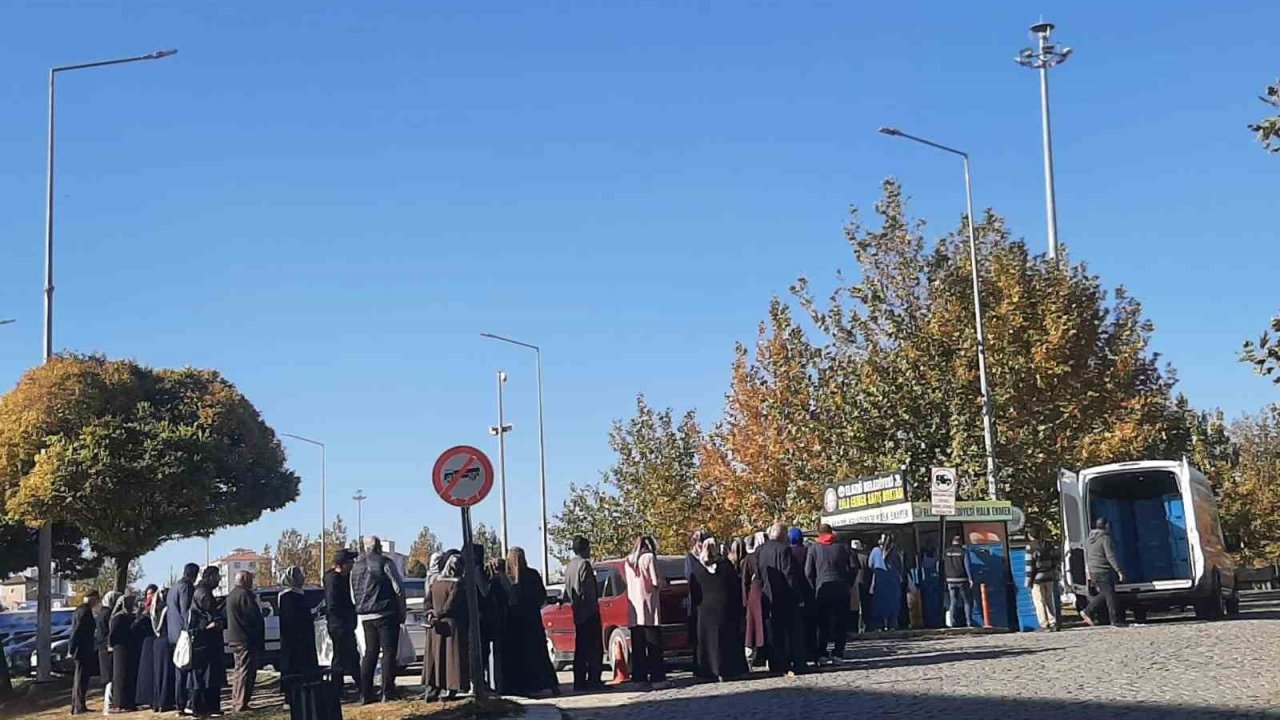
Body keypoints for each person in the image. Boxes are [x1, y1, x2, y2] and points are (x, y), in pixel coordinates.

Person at [350, 534, 406, 704]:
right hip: (385, 612)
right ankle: (387, 691)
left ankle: (365, 693)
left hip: (366, 614)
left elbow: (353, 594)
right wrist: (401, 609)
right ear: (379, 547)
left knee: (370, 653)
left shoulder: (355, 567)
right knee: (388, 652)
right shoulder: (385, 562)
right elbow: (398, 588)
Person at [498, 547, 560, 697]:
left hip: (512, 623)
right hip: (531, 621)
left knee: (516, 655)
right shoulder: (532, 575)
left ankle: (520, 686)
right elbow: (541, 596)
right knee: (538, 654)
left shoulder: (505, 577)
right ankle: (547, 684)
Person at [689, 536, 747, 681]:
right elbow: (735, 587)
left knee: (707, 642)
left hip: (705, 609)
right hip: (724, 608)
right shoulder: (726, 566)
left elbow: (693, 591)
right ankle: (728, 669)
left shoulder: (697, 569)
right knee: (725, 640)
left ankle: (707, 670)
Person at [756, 522, 805, 677]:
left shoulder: (759, 550)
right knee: (790, 632)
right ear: (783, 535)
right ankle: (793, 661)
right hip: (784, 597)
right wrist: (797, 595)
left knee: (772, 632)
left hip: (766, 596)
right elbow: (789, 573)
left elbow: (757, 574)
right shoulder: (784, 550)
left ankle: (775, 662)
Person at [423, 552, 469, 701]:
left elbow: (427, 600)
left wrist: (430, 614)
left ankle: (433, 688)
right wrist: (438, 613)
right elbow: (451, 604)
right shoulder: (458, 583)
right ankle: (451, 687)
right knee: (451, 657)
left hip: (436, 625)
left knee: (436, 656)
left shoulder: (435, 581)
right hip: (451, 625)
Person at [805, 524, 853, 664]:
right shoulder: (842, 547)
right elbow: (854, 567)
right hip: (841, 589)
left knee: (822, 623)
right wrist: (848, 583)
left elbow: (808, 572)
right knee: (841, 623)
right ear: (831, 533)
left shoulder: (814, 549)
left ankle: (822, 653)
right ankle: (838, 653)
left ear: (818, 534)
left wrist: (813, 587)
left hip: (822, 589)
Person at [624, 535, 667, 690]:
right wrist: (663, 583)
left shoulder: (628, 560)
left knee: (638, 647)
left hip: (634, 610)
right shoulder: (649, 557)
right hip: (649, 607)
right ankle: (657, 678)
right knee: (654, 645)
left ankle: (639, 678)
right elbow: (655, 581)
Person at [561, 536, 603, 691]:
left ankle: (579, 681)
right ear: (586, 548)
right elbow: (588, 590)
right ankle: (594, 680)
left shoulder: (570, 566)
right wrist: (594, 608)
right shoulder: (584, 565)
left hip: (577, 612)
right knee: (593, 648)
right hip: (588, 612)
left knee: (581, 649)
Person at [187, 566, 226, 717]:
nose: (219, 580)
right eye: (217, 577)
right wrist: (218, 621)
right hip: (206, 641)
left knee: (205, 675)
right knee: (207, 676)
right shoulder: (204, 594)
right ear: (210, 577)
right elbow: (211, 616)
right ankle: (205, 707)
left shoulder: (202, 592)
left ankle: (204, 706)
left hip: (204, 640)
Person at [279, 566, 320, 703]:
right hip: (295, 641)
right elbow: (291, 619)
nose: (303, 577)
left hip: (304, 638)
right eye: (300, 575)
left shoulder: (300, 594)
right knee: (294, 668)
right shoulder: (287, 596)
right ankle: (291, 696)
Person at [224, 570, 263, 712]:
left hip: (235, 638)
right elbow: (253, 617)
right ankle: (241, 702)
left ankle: (237, 700)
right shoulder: (245, 595)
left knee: (238, 670)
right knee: (245, 671)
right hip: (245, 638)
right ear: (245, 580)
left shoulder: (231, 595)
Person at [323, 549, 360, 695]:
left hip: (345, 623)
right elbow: (333, 604)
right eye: (350, 562)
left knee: (350, 655)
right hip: (339, 624)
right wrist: (343, 621)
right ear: (342, 564)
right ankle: (338, 687)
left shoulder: (344, 577)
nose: (352, 565)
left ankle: (358, 684)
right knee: (341, 655)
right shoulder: (333, 579)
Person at [166, 563, 199, 713]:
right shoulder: (186, 588)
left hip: (173, 633)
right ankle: (187, 703)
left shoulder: (173, 588)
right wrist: (191, 630)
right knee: (188, 669)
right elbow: (187, 611)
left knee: (179, 670)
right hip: (184, 634)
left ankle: (180, 703)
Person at [1082, 518, 1127, 628]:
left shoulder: (1088, 540)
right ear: (1106, 526)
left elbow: (1087, 556)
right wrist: (1118, 570)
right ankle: (1114, 620)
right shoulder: (1105, 538)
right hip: (1103, 570)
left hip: (1093, 570)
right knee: (1110, 596)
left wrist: (1088, 571)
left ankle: (1088, 611)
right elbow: (1110, 556)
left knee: (1106, 594)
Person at [787, 527, 818, 664]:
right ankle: (811, 652)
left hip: (793, 592)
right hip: (809, 591)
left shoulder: (787, 553)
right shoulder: (808, 550)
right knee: (810, 624)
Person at [69, 590, 101, 715]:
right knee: (81, 678)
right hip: (82, 649)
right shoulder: (85, 611)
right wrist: (72, 647)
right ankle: (78, 706)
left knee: (81, 678)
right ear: (91, 598)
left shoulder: (80, 610)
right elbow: (77, 630)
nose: (98, 602)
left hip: (82, 649)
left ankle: (78, 704)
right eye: (97, 599)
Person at [108, 594, 141, 712]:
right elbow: (113, 634)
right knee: (121, 675)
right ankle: (121, 703)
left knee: (126, 675)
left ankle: (126, 703)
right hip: (121, 649)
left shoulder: (127, 617)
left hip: (125, 649)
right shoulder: (120, 617)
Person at [1025, 529, 1061, 631]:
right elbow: (1055, 558)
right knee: (1049, 599)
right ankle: (1053, 622)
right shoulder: (1048, 544)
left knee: (1039, 601)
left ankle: (1044, 624)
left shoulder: (1030, 547)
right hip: (1049, 576)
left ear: (1030, 535)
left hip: (1037, 578)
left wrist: (1028, 581)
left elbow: (1029, 565)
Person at [148, 588, 177, 713]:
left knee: (157, 673)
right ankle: (165, 702)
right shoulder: (166, 609)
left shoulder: (154, 610)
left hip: (157, 642)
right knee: (166, 673)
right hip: (166, 641)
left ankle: (157, 702)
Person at [740, 533, 767, 666]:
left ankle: (751, 658)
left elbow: (744, 581)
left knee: (752, 627)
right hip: (765, 593)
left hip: (754, 595)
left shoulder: (748, 559)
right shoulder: (764, 557)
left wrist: (745, 601)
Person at [869, 534, 902, 631]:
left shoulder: (875, 551)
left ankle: (879, 625)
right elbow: (900, 566)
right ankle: (892, 624)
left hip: (879, 582)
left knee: (879, 604)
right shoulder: (895, 552)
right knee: (892, 604)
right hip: (892, 582)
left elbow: (870, 565)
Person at [134, 585, 160, 710]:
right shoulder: (143, 610)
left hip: (153, 640)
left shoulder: (157, 608)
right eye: (148, 593)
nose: (150, 596)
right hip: (145, 642)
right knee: (146, 671)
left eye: (152, 593)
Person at [943, 536, 974, 628]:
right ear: (960, 542)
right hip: (962, 579)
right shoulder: (963, 551)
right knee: (967, 601)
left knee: (953, 601)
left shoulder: (946, 552)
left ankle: (952, 622)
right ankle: (969, 622)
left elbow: (942, 565)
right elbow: (967, 565)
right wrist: (970, 578)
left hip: (950, 580)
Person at [96, 591, 118, 705]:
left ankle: (107, 700)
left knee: (107, 675)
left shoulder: (101, 612)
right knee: (111, 675)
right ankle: (109, 701)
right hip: (108, 647)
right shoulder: (109, 613)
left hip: (102, 647)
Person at [852, 540, 872, 633]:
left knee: (854, 607)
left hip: (854, 583)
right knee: (865, 606)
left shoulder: (850, 556)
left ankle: (855, 627)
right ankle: (867, 625)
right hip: (864, 582)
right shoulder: (865, 556)